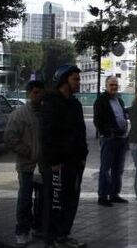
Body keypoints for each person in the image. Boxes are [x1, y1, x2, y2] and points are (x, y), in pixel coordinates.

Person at [41, 65, 88, 248]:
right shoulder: (51, 102)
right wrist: (53, 161)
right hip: (57, 164)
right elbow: (48, 134)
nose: (79, 82)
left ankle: (64, 235)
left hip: (74, 163)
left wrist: (83, 156)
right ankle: (51, 239)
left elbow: (81, 131)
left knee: (71, 200)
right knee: (55, 202)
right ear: (64, 80)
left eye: (79, 79)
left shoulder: (75, 104)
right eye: (75, 79)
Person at [4, 81, 46, 246]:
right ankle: (22, 231)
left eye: (41, 92)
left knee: (42, 199)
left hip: (43, 166)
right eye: (36, 92)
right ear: (29, 93)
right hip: (26, 165)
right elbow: (10, 138)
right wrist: (27, 151)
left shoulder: (45, 113)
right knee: (25, 199)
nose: (39, 96)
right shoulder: (19, 114)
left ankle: (38, 227)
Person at [94, 76, 129, 206]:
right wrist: (108, 133)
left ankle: (114, 194)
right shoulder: (101, 101)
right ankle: (103, 196)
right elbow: (97, 121)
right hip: (109, 139)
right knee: (106, 168)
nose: (114, 87)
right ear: (106, 85)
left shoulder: (119, 100)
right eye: (111, 85)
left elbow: (122, 116)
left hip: (121, 139)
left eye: (116, 85)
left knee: (118, 169)